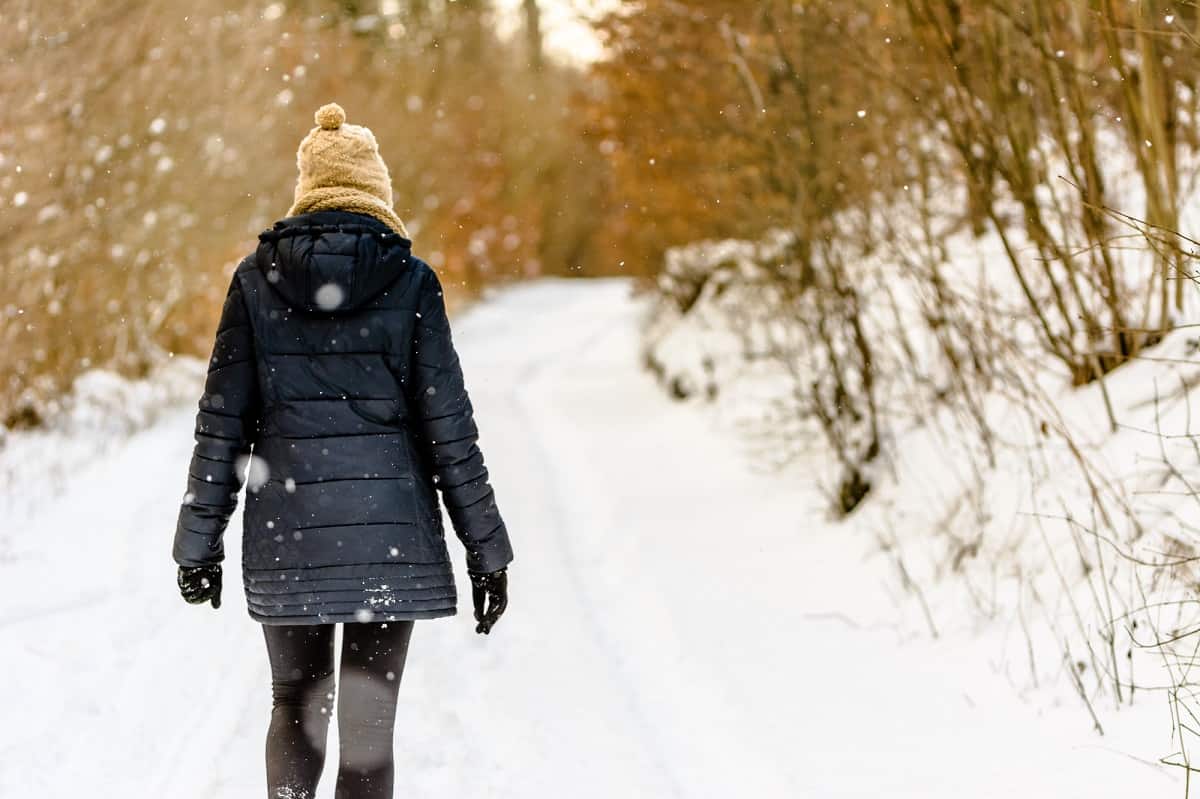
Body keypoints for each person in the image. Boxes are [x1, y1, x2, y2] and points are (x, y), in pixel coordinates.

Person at [171, 103, 513, 799]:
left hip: (286, 533)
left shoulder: (255, 280)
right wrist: (488, 550)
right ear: (376, 192)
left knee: (296, 701)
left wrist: (196, 542)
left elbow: (221, 425)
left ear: (308, 190)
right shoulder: (411, 283)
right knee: (366, 727)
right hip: (389, 539)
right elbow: (451, 428)